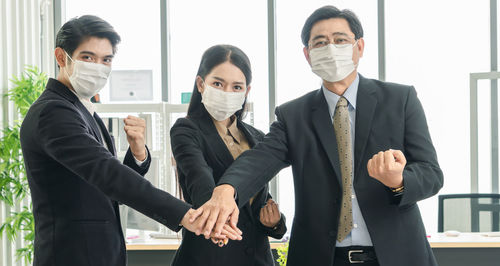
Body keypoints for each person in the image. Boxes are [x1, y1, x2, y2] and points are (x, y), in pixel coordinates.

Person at [192, 6, 444, 266]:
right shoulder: (294, 115)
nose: (331, 48)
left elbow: (431, 173)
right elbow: (260, 159)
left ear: (359, 47)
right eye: (320, 43)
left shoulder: (400, 100)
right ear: (307, 54)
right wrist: (227, 189)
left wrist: (398, 181)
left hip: (396, 256)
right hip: (321, 257)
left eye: (340, 40)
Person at [19, 15, 239, 266]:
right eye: (88, 57)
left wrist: (138, 153)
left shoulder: (81, 109)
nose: (98, 67)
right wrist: (186, 214)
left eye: (106, 59)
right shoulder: (54, 112)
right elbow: (106, 172)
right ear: (61, 57)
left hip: (98, 253)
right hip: (73, 255)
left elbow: (106, 185)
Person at [170, 44, 287, 266]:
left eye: (236, 87)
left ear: (246, 92)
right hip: (210, 257)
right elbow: (199, 181)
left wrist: (274, 223)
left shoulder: (258, 137)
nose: (226, 93)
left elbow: (260, 199)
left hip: (257, 258)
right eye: (217, 84)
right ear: (201, 84)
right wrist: (216, 205)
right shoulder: (186, 130)